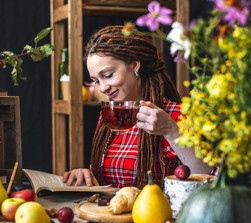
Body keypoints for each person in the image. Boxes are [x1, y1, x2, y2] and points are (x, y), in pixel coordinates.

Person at [63, 25, 211, 189]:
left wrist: (171, 131)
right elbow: (106, 175)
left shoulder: (176, 115)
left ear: (134, 65)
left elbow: (208, 180)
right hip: (109, 213)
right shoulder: (110, 116)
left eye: (108, 75)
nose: (103, 88)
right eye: (96, 81)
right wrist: (86, 174)